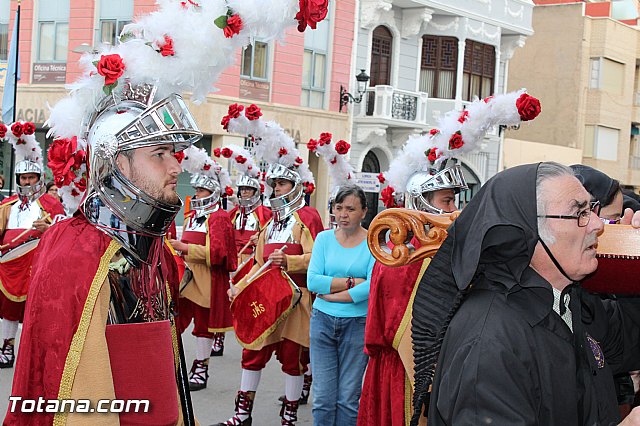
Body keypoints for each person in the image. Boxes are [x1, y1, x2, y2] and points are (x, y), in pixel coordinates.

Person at [358, 90, 542, 426]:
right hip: (404, 374)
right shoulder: (402, 259)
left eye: (454, 200)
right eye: (446, 201)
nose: (453, 210)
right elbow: (386, 335)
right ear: (421, 203)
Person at [415, 162, 640, 425]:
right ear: (527, 229)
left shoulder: (567, 302)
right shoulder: (489, 343)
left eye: (591, 210)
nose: (596, 225)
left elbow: (631, 339)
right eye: (579, 212)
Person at [217, 103, 323, 425]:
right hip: (266, 297)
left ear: (296, 186)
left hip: (296, 300)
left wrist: (289, 260)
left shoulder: (307, 217)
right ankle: (241, 414)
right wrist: (239, 284)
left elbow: (316, 261)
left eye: (282, 185)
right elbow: (257, 262)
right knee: (252, 354)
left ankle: (288, 415)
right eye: (273, 185)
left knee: (292, 359)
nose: (276, 190)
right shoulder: (270, 222)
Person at [169, 147, 237, 392]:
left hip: (206, 281)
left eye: (201, 190)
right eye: (196, 189)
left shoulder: (217, 217)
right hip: (188, 279)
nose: (197, 194)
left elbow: (218, 254)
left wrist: (185, 248)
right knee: (175, 322)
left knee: (202, 328)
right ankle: (173, 366)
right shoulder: (194, 215)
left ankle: (201, 368)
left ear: (212, 191)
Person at [307, 184, 374, 425]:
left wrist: (333, 293)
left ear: (364, 212)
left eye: (350, 209)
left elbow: (370, 286)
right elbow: (313, 280)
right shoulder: (324, 239)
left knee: (347, 398)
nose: (343, 214)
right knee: (323, 398)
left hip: (357, 324)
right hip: (322, 323)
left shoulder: (372, 243)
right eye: (338, 208)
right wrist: (351, 282)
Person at [0, 124, 65, 369]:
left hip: (37, 264)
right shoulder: (8, 204)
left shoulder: (50, 203)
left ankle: (33, 352)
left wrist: (47, 230)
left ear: (39, 179)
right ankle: (6, 347)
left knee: (36, 311)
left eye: (31, 178)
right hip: (9, 266)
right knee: (8, 310)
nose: (27, 182)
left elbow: (62, 232)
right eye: (23, 178)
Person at [216, 144, 271, 357]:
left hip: (251, 263)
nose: (245, 193)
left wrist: (259, 239)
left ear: (256, 192)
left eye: (248, 190)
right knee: (224, 297)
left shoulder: (263, 213)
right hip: (234, 261)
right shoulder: (233, 213)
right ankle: (219, 336)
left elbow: (269, 236)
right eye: (242, 190)